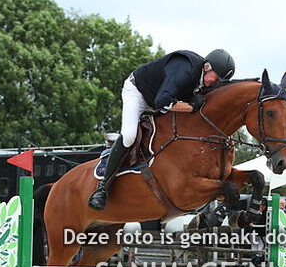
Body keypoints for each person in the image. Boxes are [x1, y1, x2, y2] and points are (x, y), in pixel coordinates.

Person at [88, 49, 236, 210]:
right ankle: (102, 188)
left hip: (161, 98)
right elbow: (162, 100)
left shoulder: (203, 79)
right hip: (138, 93)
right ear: (207, 67)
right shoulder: (185, 69)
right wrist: (190, 106)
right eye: (217, 79)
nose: (216, 83)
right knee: (129, 136)